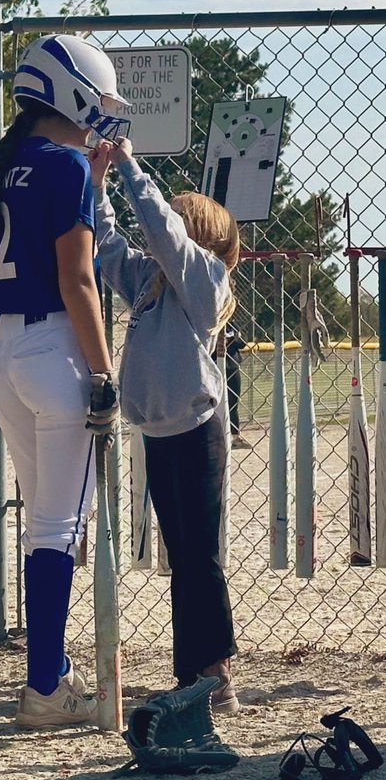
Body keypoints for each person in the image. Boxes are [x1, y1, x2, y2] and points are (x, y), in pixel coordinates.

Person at [0, 32, 130, 729]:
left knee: (44, 522)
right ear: (71, 93)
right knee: (57, 529)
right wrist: (102, 372)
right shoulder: (64, 166)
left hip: (5, 353)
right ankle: (44, 687)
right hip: (56, 351)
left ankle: (52, 671)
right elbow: (77, 280)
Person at [90, 136, 241, 717]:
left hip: (197, 427)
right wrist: (99, 185)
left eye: (179, 220)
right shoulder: (152, 283)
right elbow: (108, 249)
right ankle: (191, 674)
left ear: (194, 233)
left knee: (200, 553)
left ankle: (217, 671)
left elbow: (163, 233)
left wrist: (130, 165)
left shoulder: (204, 279)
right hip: (157, 431)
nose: (164, 228)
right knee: (181, 553)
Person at [225, 325, 250, 450]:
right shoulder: (210, 321)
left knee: (233, 402)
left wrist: (233, 339)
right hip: (215, 367)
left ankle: (235, 436)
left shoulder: (232, 326)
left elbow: (242, 343)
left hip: (232, 367)